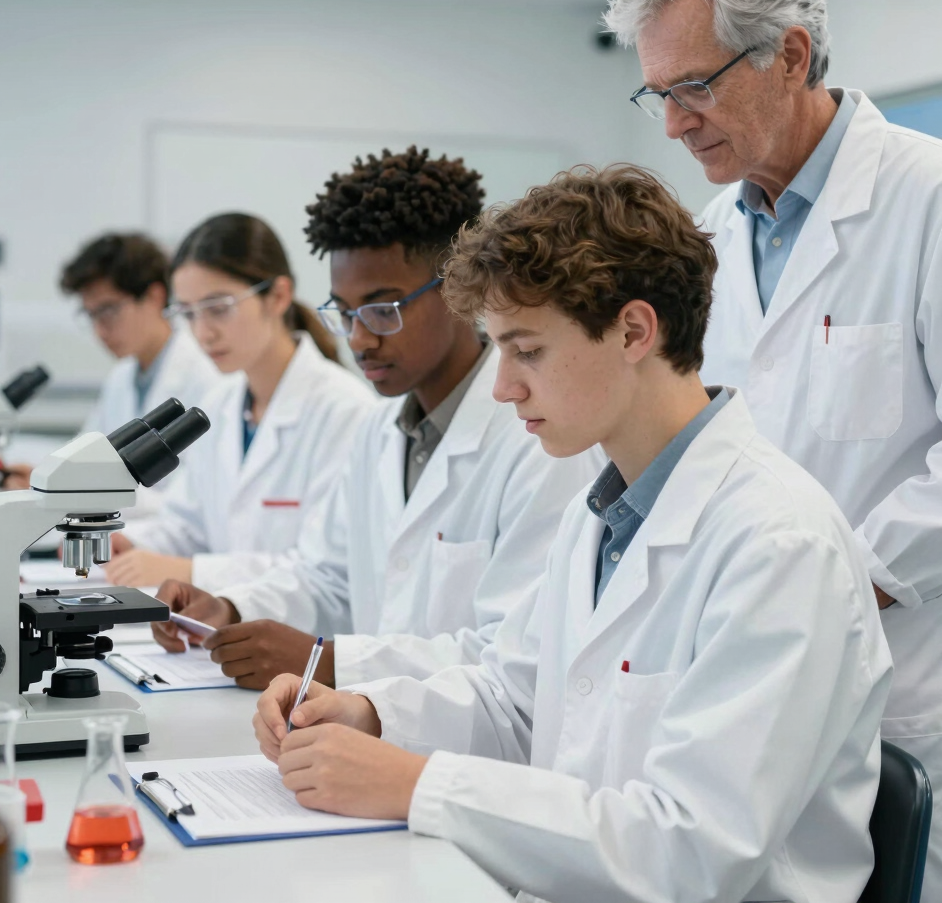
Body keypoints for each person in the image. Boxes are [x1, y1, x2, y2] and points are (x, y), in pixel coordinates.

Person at [253, 165, 892, 903]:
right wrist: (369, 713)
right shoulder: (608, 512)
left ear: (634, 331)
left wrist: (419, 785)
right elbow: (517, 698)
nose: (503, 388)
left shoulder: (779, 546)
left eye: (527, 351)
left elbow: (692, 851)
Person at [604, 0, 942, 895]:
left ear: (789, 56)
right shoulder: (709, 237)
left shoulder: (926, 200)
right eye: (657, 95)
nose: (673, 125)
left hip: (904, 676)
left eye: (694, 88)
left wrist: (834, 583)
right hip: (745, 678)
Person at [150, 147, 600, 689]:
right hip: (364, 726)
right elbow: (327, 577)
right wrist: (229, 608)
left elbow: (516, 656)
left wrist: (331, 663)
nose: (359, 339)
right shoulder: (379, 432)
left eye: (383, 310)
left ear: (457, 289)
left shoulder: (538, 441)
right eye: (344, 313)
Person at [103, 212, 375, 589]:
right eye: (188, 314)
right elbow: (188, 525)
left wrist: (190, 573)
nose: (203, 333)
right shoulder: (220, 404)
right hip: (215, 619)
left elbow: (325, 569)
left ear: (277, 296)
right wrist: (132, 542)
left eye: (218, 308)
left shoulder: (345, 410)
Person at [3, 233, 220, 505]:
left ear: (154, 297)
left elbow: (192, 498)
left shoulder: (205, 373)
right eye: (91, 315)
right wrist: (45, 480)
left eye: (108, 310)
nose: (99, 330)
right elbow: (86, 454)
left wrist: (80, 490)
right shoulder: (122, 376)